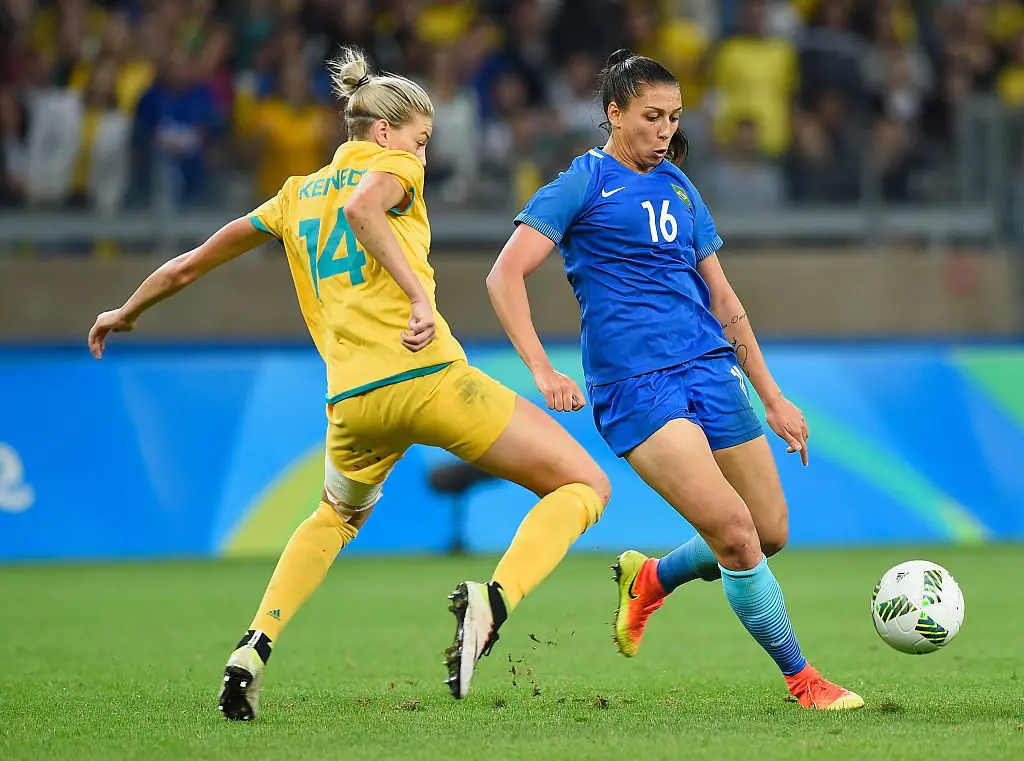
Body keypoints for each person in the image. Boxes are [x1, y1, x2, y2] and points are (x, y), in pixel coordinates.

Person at [87, 47, 610, 720]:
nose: (423, 156)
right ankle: (494, 602)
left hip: (353, 405)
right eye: (421, 140)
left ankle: (253, 647)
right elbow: (365, 208)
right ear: (385, 132)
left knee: (334, 517)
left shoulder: (294, 195)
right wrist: (417, 296)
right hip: (429, 379)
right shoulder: (394, 169)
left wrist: (127, 310)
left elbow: (190, 263)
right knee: (583, 484)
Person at [486, 49, 863, 710]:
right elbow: (504, 275)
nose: (664, 131)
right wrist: (542, 369)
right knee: (737, 534)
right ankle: (804, 681)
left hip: (710, 369)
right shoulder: (582, 183)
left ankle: (651, 579)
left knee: (769, 530)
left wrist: (773, 395)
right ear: (614, 113)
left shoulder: (680, 187)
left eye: (674, 117)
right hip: (638, 386)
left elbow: (723, 296)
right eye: (651, 116)